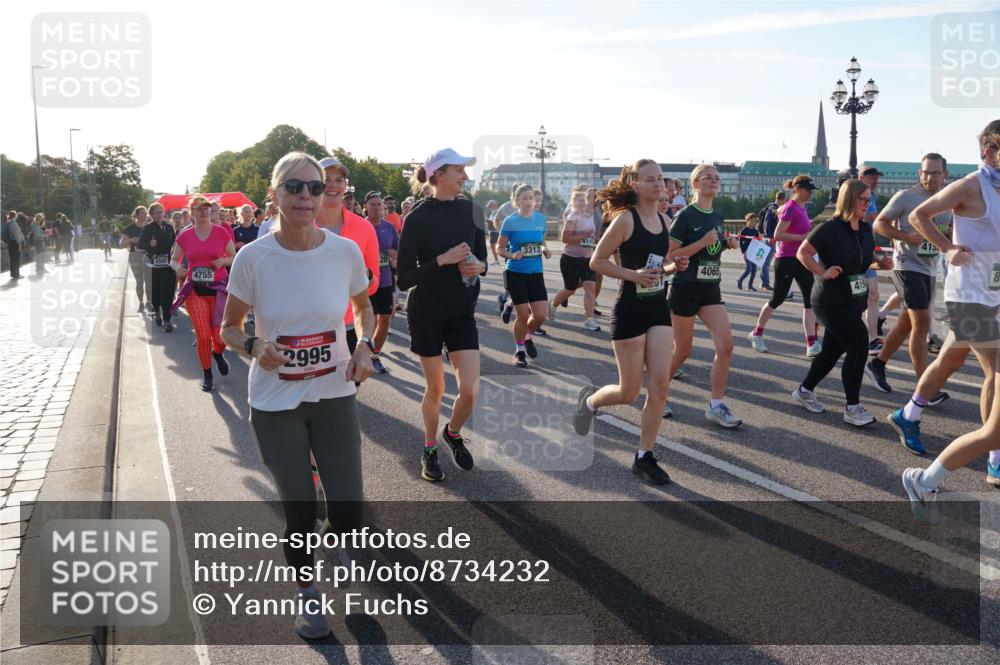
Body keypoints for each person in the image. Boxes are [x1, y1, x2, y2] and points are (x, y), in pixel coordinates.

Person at [221, 151, 374, 639]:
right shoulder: (253, 257)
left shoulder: (343, 252)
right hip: (276, 401)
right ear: (275, 194)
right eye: (294, 187)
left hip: (334, 393)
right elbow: (229, 327)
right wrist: (253, 345)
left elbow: (363, 307)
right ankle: (308, 595)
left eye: (315, 187)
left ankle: (340, 541)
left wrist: (365, 345)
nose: (306, 196)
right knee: (300, 511)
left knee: (348, 509)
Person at [892, 121, 1000, 480]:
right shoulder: (970, 185)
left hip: (993, 292)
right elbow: (917, 215)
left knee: (950, 360)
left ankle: (908, 414)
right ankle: (996, 456)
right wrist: (948, 247)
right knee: (996, 371)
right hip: (968, 295)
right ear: (989, 151)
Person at [573, 159, 687, 485]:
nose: (658, 184)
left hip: (657, 308)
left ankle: (644, 456)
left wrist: (673, 267)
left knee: (661, 384)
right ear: (635, 185)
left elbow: (658, 265)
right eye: (650, 179)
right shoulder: (625, 219)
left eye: (660, 178)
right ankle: (590, 402)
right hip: (629, 310)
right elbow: (597, 261)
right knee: (629, 392)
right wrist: (632, 275)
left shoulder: (665, 220)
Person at [396, 148, 486, 482]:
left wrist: (479, 266)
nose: (465, 176)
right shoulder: (417, 218)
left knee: (470, 390)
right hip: (427, 312)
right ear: (439, 175)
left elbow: (483, 261)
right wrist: (442, 260)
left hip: (462, 309)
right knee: (436, 387)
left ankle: (453, 432)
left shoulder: (473, 211)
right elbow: (404, 279)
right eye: (459, 170)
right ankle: (430, 448)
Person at [790, 179, 890, 426]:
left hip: (853, 299)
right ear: (849, 199)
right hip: (829, 300)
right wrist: (822, 271)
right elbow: (803, 252)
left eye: (869, 200)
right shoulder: (830, 228)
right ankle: (852, 407)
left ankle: (804, 391)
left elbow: (862, 260)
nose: (867, 204)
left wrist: (880, 263)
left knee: (831, 352)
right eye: (862, 200)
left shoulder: (864, 229)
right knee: (858, 344)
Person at [866, 154, 952, 395]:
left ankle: (877, 364)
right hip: (906, 265)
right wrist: (906, 237)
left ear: (944, 175)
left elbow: (949, 230)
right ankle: (925, 389)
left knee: (905, 323)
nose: (929, 177)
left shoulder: (948, 199)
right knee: (922, 324)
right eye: (925, 172)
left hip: (929, 268)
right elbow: (879, 224)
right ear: (919, 173)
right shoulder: (906, 196)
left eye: (935, 173)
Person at [665, 164, 742, 427]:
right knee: (683, 351)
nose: (714, 180)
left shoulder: (717, 216)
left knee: (726, 346)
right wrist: (701, 243)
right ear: (695, 183)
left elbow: (711, 251)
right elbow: (670, 256)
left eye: (716, 178)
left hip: (710, 289)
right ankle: (656, 392)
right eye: (708, 177)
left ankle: (716, 405)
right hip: (685, 288)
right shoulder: (685, 216)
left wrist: (726, 245)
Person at [748, 175, 821, 357]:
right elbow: (778, 235)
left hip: (802, 258)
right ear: (797, 189)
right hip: (786, 259)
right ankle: (756, 333)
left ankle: (811, 342)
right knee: (778, 298)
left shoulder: (802, 208)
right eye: (808, 190)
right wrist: (801, 237)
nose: (810, 193)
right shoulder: (790, 208)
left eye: (811, 190)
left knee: (809, 299)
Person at [170, 195, 236, 392]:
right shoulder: (185, 235)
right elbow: (174, 259)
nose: (203, 211)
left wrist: (223, 262)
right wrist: (178, 268)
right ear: (192, 212)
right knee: (203, 335)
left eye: (206, 208)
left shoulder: (221, 232)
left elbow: (234, 257)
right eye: (199, 208)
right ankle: (207, 374)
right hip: (195, 290)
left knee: (219, 336)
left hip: (218, 289)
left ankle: (218, 353)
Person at [315, 157, 380, 357]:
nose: (333, 185)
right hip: (309, 328)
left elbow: (374, 285)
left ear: (345, 186)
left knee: (350, 379)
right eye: (326, 179)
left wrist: (366, 277)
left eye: (339, 180)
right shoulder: (301, 224)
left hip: (350, 326)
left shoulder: (364, 228)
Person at [497, 184, 550, 367]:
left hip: (536, 273)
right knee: (522, 315)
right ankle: (519, 350)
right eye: (524, 198)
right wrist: (512, 255)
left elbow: (541, 241)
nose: (528, 202)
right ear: (517, 201)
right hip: (516, 273)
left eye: (531, 198)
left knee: (541, 315)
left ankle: (527, 336)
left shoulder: (541, 219)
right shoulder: (510, 221)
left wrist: (545, 249)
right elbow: (500, 248)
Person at [550, 188, 600, 331]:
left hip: (587, 259)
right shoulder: (572, 218)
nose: (581, 203)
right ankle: (553, 304)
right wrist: (584, 235)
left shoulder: (589, 215)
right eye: (578, 200)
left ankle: (589, 319)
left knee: (590, 288)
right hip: (571, 259)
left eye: (583, 200)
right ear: (573, 202)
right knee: (570, 289)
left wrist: (593, 240)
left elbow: (591, 236)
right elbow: (565, 238)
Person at [363, 191, 399, 374]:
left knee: (385, 318)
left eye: (380, 205)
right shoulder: (360, 226)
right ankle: (361, 354)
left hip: (384, 280)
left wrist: (394, 255)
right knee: (367, 320)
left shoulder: (389, 228)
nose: (377, 208)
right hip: (364, 282)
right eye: (373, 205)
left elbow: (398, 252)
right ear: (366, 207)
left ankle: (374, 355)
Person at [860, 165, 886, 353]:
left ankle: (872, 338)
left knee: (873, 295)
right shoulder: (854, 195)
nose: (876, 180)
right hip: (854, 250)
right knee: (854, 298)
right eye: (873, 177)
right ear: (862, 178)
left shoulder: (873, 197)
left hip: (867, 248)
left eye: (877, 177)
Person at [139, 203, 177, 331]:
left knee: (168, 291)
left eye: (161, 212)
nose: (159, 214)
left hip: (168, 264)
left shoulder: (169, 227)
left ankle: (167, 319)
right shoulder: (148, 228)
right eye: (156, 213)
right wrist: (150, 244)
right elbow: (141, 245)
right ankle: (156, 312)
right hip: (153, 265)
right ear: (151, 215)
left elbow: (175, 244)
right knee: (155, 290)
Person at [122, 207, 149, 313]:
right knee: (139, 281)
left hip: (148, 256)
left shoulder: (149, 227)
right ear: (136, 215)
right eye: (142, 213)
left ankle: (149, 302)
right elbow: (122, 244)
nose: (145, 215)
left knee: (149, 281)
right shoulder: (129, 229)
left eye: (146, 213)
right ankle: (141, 303)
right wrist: (132, 240)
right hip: (134, 256)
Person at [758, 191, 786, 291]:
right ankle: (765, 284)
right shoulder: (773, 209)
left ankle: (764, 283)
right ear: (783, 199)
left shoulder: (772, 207)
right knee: (766, 262)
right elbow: (767, 224)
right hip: (770, 239)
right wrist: (770, 237)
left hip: (771, 238)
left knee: (767, 262)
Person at [735, 213, 760, 291]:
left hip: (753, 252)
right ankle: (739, 280)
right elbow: (740, 242)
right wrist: (744, 252)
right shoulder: (744, 230)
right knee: (748, 269)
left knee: (754, 270)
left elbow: (757, 241)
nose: (753, 222)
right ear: (747, 221)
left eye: (754, 221)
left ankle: (750, 285)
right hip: (746, 252)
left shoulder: (756, 231)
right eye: (751, 220)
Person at [3, 211, 25, 280]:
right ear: (15, 216)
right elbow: (17, 236)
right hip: (15, 243)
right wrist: (19, 245)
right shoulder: (14, 224)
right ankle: (17, 275)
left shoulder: (8, 223)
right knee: (16, 259)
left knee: (12, 259)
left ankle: (13, 274)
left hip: (10, 243)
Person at [484, 199, 500, 265]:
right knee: (494, 245)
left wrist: (485, 219)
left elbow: (492, 222)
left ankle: (497, 260)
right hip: (494, 231)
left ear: (493, 205)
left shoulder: (495, 212)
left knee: (493, 245)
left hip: (494, 231)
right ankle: (497, 260)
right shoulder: (494, 212)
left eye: (490, 206)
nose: (489, 207)